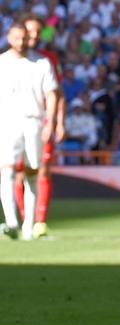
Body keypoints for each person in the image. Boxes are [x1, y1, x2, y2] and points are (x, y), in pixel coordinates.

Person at [1, 19, 58, 241]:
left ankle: (29, 224)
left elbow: (52, 93)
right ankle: (12, 222)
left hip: (34, 121)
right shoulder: (2, 62)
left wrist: (50, 122)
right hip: (7, 121)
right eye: (16, 38)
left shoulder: (41, 62)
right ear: (9, 38)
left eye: (24, 38)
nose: (21, 42)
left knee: (32, 171)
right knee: (7, 170)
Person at [20, 13, 64, 237]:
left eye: (38, 32)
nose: (34, 35)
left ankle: (40, 221)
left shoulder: (49, 60)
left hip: (42, 121)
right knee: (17, 172)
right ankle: (23, 218)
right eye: (30, 31)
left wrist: (58, 122)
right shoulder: (8, 59)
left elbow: (58, 94)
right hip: (14, 122)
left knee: (43, 170)